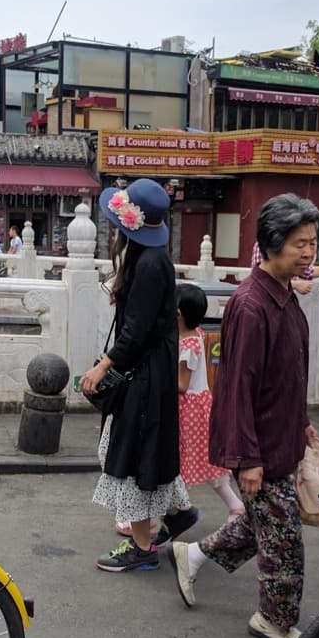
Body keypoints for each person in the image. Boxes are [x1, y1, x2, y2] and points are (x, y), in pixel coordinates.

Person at [166, 195, 319, 638]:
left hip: (281, 434)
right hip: (261, 447)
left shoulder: (285, 295)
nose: (309, 253)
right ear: (272, 245)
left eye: (312, 243)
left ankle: (191, 555)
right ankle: (272, 619)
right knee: (284, 541)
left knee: (264, 523)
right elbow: (236, 386)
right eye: (300, 244)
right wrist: (247, 459)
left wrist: (303, 422)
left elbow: (291, 372)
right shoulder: (251, 305)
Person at [81, 179, 194, 571]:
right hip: (152, 369)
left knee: (132, 454)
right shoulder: (151, 257)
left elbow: (135, 332)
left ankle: (142, 549)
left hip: (144, 373)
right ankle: (177, 512)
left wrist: (102, 365)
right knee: (148, 449)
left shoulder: (147, 264)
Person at [173, 283, 244, 521]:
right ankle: (235, 506)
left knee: (181, 462)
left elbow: (182, 384)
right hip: (200, 408)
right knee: (208, 464)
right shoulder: (196, 334)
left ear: (178, 313)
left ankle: (175, 513)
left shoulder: (188, 345)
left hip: (188, 411)